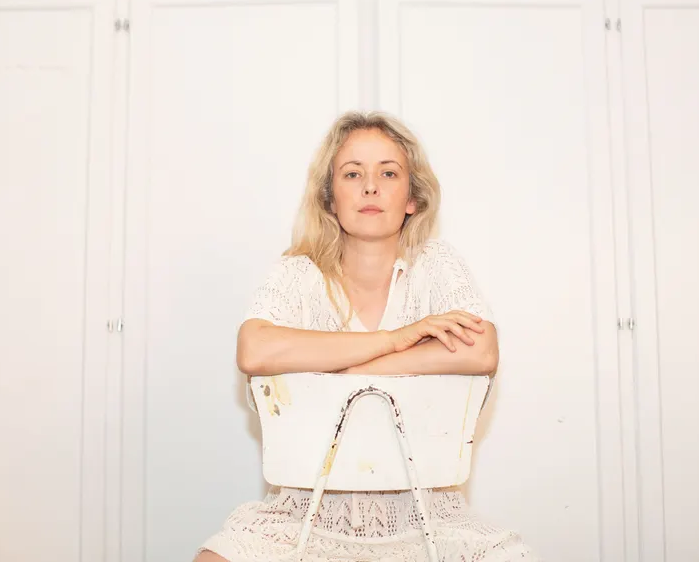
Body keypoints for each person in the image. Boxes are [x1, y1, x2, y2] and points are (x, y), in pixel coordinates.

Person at [195, 111, 541, 562]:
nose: (371, 187)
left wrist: (345, 369)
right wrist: (397, 339)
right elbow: (254, 348)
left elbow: (481, 349)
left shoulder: (436, 265)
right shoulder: (297, 273)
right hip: (301, 518)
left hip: (428, 519)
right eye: (353, 174)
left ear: (412, 198)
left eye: (389, 173)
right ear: (330, 198)